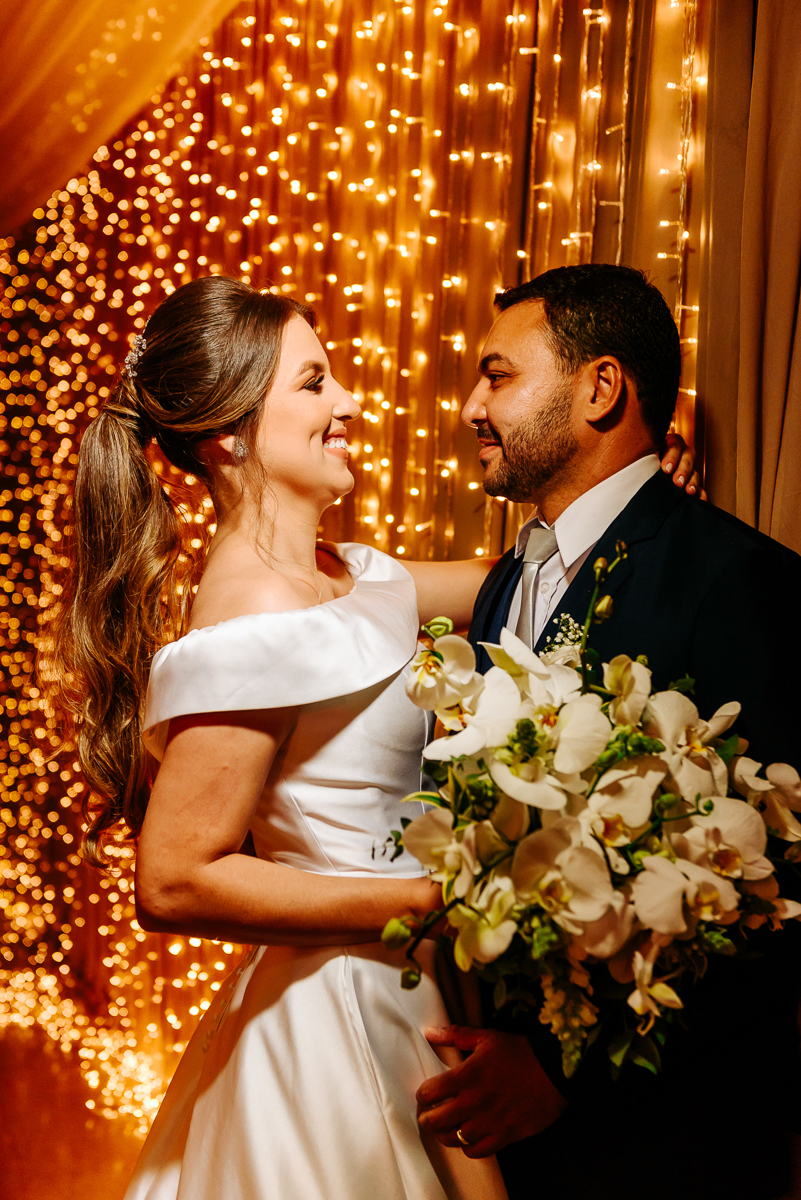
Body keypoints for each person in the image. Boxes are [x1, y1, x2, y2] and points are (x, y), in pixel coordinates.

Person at [54, 274, 698, 1200]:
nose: (348, 402)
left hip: (417, 987)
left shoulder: (349, 574)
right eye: (313, 384)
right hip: (334, 1010)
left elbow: (514, 576)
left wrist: (639, 488)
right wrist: (440, 898)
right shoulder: (251, 615)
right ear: (230, 434)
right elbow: (174, 877)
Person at [414, 264, 801, 1200]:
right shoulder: (509, 583)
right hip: (505, 1143)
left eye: (497, 375)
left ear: (599, 386)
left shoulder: (737, 580)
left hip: (664, 1144)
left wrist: (560, 1070)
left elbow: (777, 890)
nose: (469, 406)